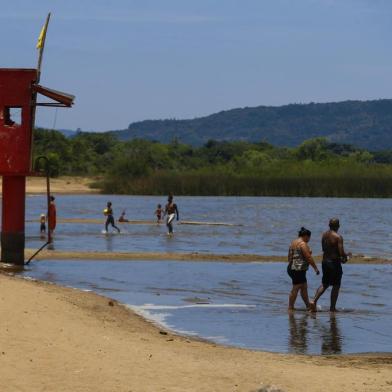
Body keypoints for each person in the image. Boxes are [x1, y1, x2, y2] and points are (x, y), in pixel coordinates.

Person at [310, 218, 352, 312]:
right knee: (336, 285)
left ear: (329, 225)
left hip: (325, 261)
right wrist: (348, 255)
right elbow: (341, 253)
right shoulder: (338, 237)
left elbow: (325, 249)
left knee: (325, 284)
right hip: (334, 263)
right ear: (338, 226)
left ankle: (313, 300)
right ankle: (332, 308)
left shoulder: (324, 235)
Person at [287, 227, 320, 311]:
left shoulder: (293, 242)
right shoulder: (302, 244)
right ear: (306, 236)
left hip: (292, 268)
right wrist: (315, 268)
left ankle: (308, 306)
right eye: (309, 237)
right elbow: (308, 257)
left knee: (304, 286)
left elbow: (290, 257)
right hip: (297, 269)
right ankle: (290, 307)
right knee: (296, 287)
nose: (309, 239)